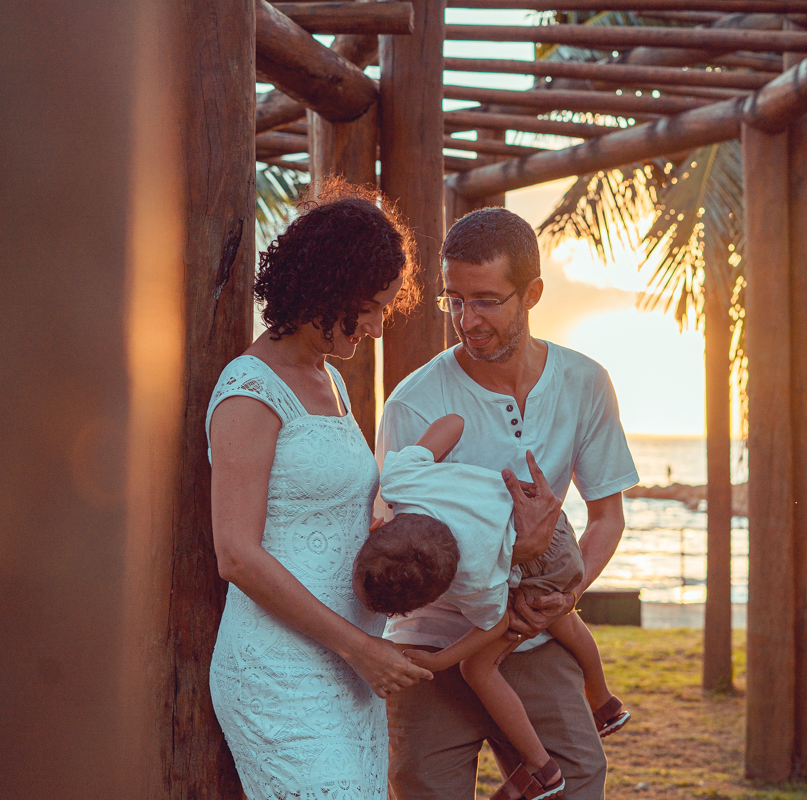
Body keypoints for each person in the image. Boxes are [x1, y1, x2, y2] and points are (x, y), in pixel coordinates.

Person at [377, 207, 639, 800]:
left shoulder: (585, 382)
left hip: (535, 641)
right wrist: (511, 561)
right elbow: (396, 549)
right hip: (432, 645)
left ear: (533, 293)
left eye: (487, 300)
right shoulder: (414, 404)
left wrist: (558, 598)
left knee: (577, 785)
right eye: (454, 300)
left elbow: (607, 515)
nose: (467, 320)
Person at [206, 180, 434, 800]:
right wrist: (360, 647)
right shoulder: (250, 391)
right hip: (279, 672)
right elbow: (237, 554)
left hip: (349, 673)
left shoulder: (328, 378)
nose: (380, 328)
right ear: (330, 287)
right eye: (372, 307)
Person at [355, 415, 629, 800]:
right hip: (548, 517)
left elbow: (497, 623)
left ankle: (541, 768)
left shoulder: (474, 575)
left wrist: (441, 660)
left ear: (441, 591)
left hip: (537, 557)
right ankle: (604, 701)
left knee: (478, 668)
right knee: (563, 620)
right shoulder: (402, 479)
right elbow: (453, 422)